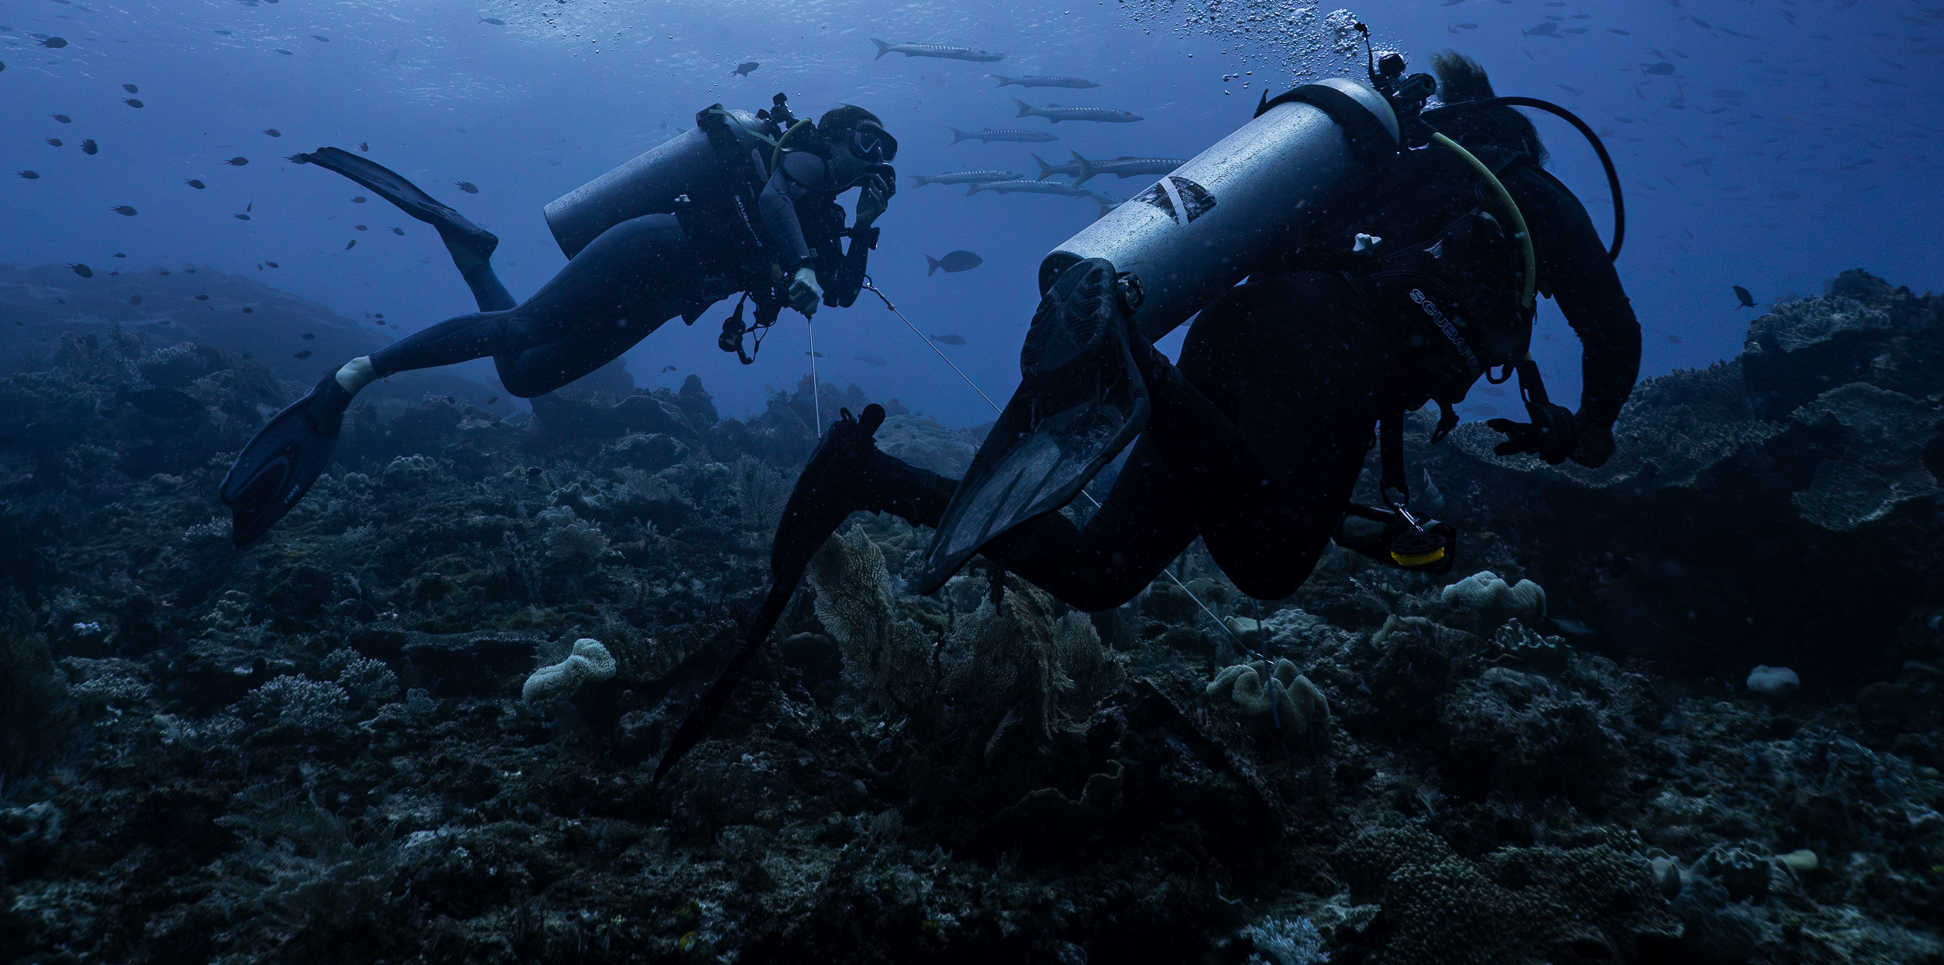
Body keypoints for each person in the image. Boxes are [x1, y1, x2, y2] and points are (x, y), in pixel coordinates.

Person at [657, 51, 1639, 776]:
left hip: (1234, 320)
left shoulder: (1384, 164)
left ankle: (869, 475)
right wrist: (1586, 429)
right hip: (1328, 342)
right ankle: (1134, 364)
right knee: (1270, 562)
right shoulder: (1522, 188)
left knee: (1103, 570)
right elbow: (1613, 330)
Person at [220, 97, 898, 546]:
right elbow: (775, 202)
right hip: (655, 247)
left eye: (882, 152)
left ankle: (472, 253)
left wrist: (865, 226)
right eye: (866, 142)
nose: (871, 158)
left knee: (527, 375)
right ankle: (351, 377)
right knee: (522, 329)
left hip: (665, 297)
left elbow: (840, 293)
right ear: (833, 134)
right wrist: (802, 266)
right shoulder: (798, 160)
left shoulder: (826, 216)